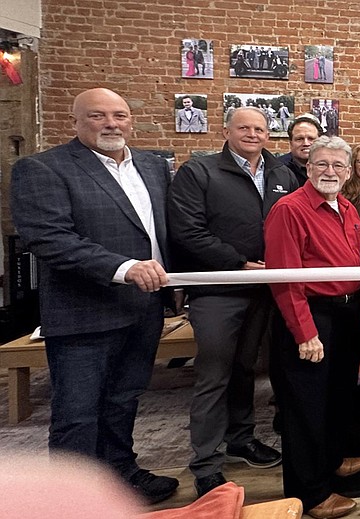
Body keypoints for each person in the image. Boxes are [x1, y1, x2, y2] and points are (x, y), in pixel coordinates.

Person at [10, 87, 179, 504]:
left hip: (144, 309)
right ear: (76, 121)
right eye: (97, 116)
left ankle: (119, 475)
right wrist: (123, 269)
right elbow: (48, 239)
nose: (111, 124)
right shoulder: (42, 169)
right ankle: (71, 501)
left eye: (119, 115)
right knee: (77, 414)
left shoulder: (154, 167)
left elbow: (163, 232)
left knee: (124, 400)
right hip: (84, 311)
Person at [168, 106, 291, 497]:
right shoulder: (199, 171)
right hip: (218, 289)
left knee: (245, 369)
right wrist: (238, 262)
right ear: (226, 130)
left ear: (269, 134)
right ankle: (205, 462)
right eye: (244, 127)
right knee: (214, 374)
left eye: (260, 128)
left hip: (264, 288)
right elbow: (187, 230)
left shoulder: (281, 173)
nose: (252, 134)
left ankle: (241, 440)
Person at [264, 136, 360, 519]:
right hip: (312, 315)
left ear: (347, 172)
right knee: (305, 406)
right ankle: (310, 494)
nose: (330, 172)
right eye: (321, 164)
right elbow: (284, 277)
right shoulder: (288, 210)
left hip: (346, 314)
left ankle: (330, 460)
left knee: (337, 395)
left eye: (338, 166)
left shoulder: (347, 208)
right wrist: (304, 332)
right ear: (308, 168)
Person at [280, 113, 322, 185]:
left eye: (311, 139)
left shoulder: (330, 168)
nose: (306, 143)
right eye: (299, 139)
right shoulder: (278, 168)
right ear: (291, 143)